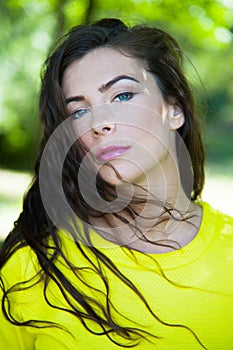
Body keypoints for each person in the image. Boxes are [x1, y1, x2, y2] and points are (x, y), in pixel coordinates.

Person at [0, 18, 232, 350]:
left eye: (122, 95)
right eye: (79, 112)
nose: (99, 123)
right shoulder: (32, 266)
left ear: (174, 109)